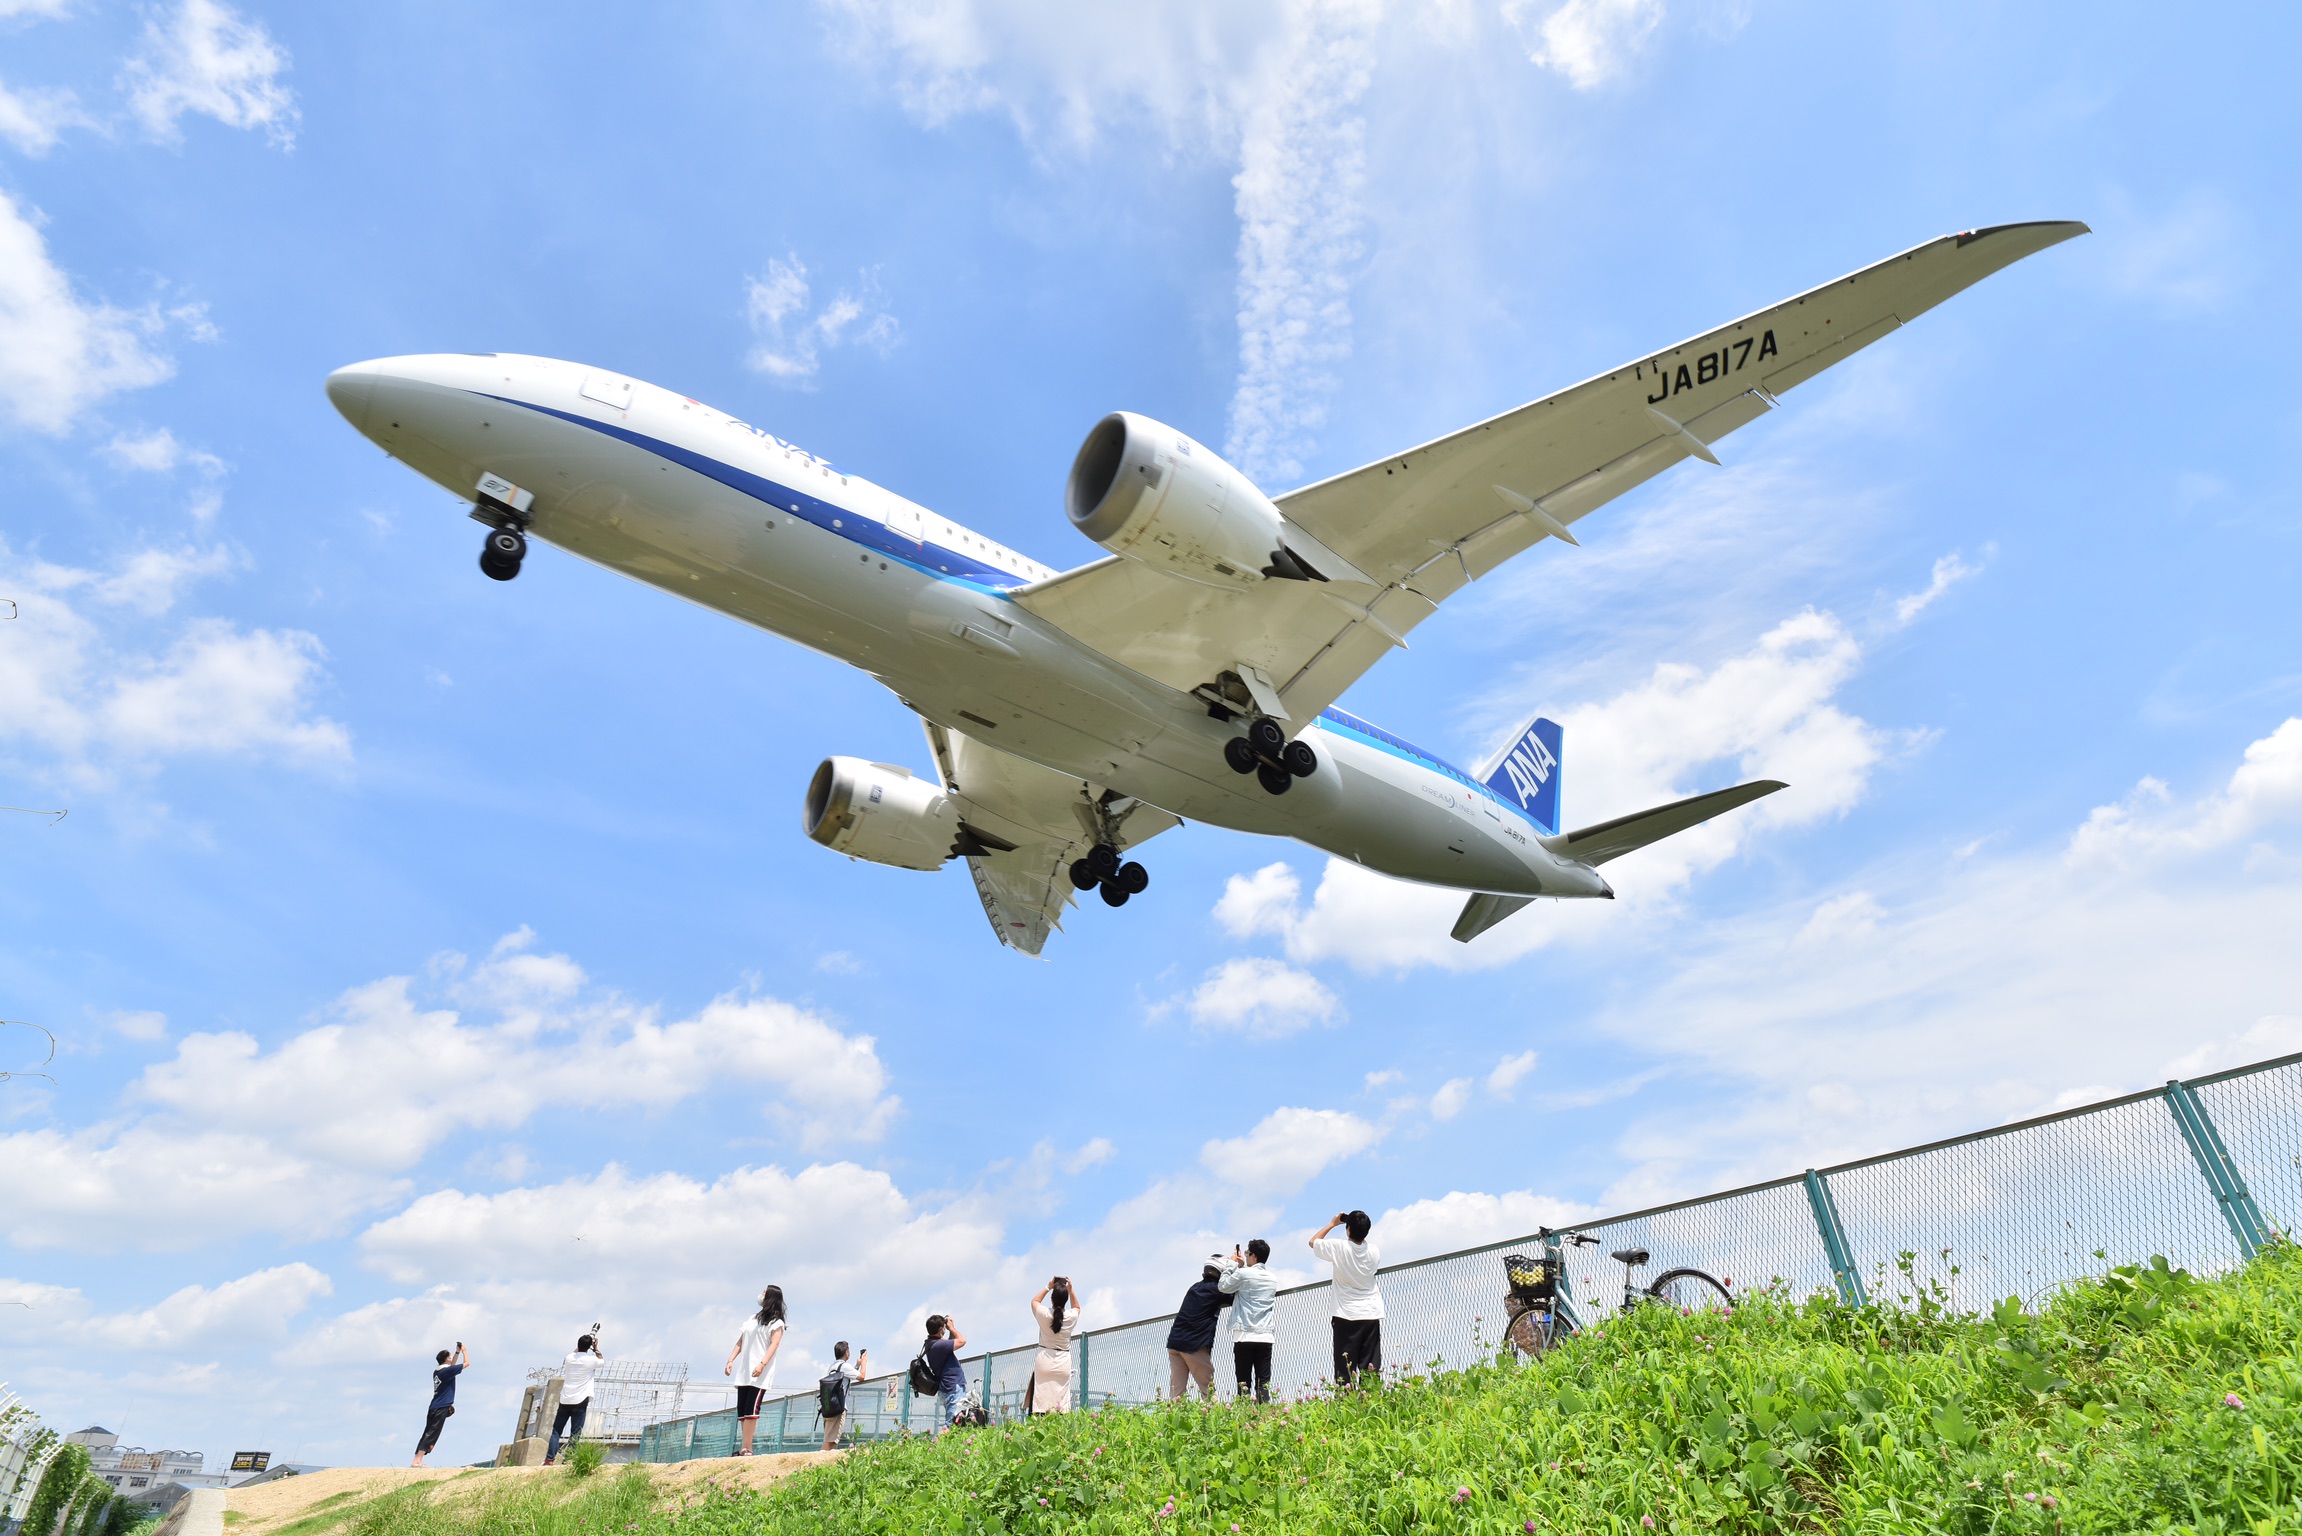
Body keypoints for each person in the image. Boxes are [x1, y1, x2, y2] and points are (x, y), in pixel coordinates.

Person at [1310, 1210, 1384, 1386]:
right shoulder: (1374, 1251)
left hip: (1345, 1314)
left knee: (1344, 1370)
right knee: (1370, 1367)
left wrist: (1332, 1224)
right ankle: (1371, 1402)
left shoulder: (1339, 1247)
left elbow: (1313, 1242)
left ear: (1348, 1229)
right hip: (1371, 1313)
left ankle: (1346, 1407)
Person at [722, 1286, 787, 1455]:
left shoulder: (777, 1323)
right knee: (742, 1410)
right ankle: (745, 1446)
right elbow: (741, 1341)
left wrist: (762, 1364)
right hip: (744, 1372)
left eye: (765, 1292)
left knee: (752, 1409)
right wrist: (730, 1360)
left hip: (760, 1373)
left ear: (771, 1297)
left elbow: (774, 1344)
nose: (761, 1294)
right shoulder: (752, 1319)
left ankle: (747, 1447)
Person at [1218, 1240, 1279, 1402]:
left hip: (1244, 1336)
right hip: (1265, 1336)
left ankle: (1244, 1419)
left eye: (1247, 1252)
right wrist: (1242, 1266)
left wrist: (1231, 1265)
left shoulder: (1243, 1274)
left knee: (1243, 1384)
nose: (1245, 1255)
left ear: (1253, 1256)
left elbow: (1223, 1286)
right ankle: (1264, 1419)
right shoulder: (1272, 1278)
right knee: (1263, 1383)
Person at [1164, 1263, 1233, 1401]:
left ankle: (1172, 1419)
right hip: (1193, 1345)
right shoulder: (1217, 1290)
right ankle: (1213, 1418)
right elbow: (1236, 1293)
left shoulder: (1195, 1287)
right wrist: (1237, 1268)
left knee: (1176, 1392)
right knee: (1208, 1389)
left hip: (1174, 1343)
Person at [544, 1329, 602, 1464]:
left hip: (565, 1399)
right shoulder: (591, 1360)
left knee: (556, 1431)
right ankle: (569, 1459)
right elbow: (601, 1360)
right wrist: (596, 1348)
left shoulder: (569, 1359)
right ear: (590, 1347)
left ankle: (549, 1459)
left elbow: (575, 1352)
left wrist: (585, 1343)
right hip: (580, 1401)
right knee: (575, 1433)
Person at [1027, 1276, 1081, 1416]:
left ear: (1052, 1299)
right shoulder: (1070, 1317)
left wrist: (1048, 1286)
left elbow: (1034, 1301)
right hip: (1063, 1361)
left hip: (1044, 1359)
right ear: (1066, 1300)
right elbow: (1077, 1307)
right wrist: (1071, 1289)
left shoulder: (1044, 1314)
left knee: (1041, 1400)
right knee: (1061, 1403)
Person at [411, 1341, 468, 1467]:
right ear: (445, 1359)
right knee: (432, 1433)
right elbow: (467, 1364)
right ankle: (417, 1461)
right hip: (440, 1407)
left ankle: (418, 1459)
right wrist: (464, 1351)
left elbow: (452, 1366)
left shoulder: (438, 1371)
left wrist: (457, 1352)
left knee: (428, 1432)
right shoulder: (446, 1372)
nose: (451, 1358)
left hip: (435, 1406)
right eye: (450, 1356)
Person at [922, 1314, 969, 1432]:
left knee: (957, 1423)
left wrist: (948, 1329)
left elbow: (950, 1343)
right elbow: (962, 1341)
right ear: (940, 1330)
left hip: (947, 1388)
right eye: (943, 1328)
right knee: (951, 1424)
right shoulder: (939, 1345)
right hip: (952, 1388)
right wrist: (952, 1328)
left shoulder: (932, 1344)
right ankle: (935, 1448)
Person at [818, 1341, 867, 1450]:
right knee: (831, 1442)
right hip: (839, 1407)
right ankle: (817, 1463)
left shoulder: (832, 1367)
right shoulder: (845, 1366)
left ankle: (821, 1462)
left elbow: (847, 1376)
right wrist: (864, 1362)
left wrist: (857, 1365)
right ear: (847, 1353)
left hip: (829, 1406)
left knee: (829, 1439)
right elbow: (862, 1376)